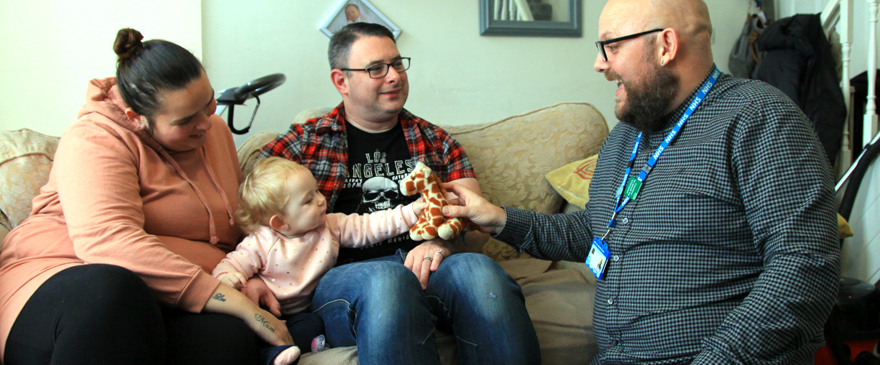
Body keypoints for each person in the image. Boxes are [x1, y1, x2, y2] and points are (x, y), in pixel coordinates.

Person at [442, 0, 841, 363]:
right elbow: (597, 230)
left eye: (611, 46)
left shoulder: (759, 118)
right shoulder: (626, 136)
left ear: (665, 46)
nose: (599, 64)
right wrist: (497, 219)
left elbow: (805, 267)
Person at [0, 28, 292, 364]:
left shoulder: (215, 131)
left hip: (161, 295)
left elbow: (237, 229)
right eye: (185, 119)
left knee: (228, 341)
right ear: (136, 118)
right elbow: (108, 243)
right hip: (62, 284)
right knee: (114, 290)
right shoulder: (93, 139)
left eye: (208, 102)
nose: (205, 123)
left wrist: (247, 276)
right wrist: (230, 298)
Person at [256, 22, 541, 365]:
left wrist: (441, 245)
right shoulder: (304, 144)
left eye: (397, 63)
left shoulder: (438, 142)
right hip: (341, 282)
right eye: (376, 68)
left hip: (429, 272)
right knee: (388, 278)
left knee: (478, 271)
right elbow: (250, 206)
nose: (394, 76)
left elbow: (477, 228)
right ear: (341, 81)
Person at [213, 157, 425, 365]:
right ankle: (271, 355)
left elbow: (370, 225)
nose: (321, 199)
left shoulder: (329, 227)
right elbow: (229, 265)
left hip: (307, 310)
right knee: (252, 330)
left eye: (316, 190)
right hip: (270, 310)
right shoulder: (261, 242)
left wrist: (412, 212)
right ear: (280, 222)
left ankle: (292, 349)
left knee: (310, 327)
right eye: (308, 200)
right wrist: (230, 278)